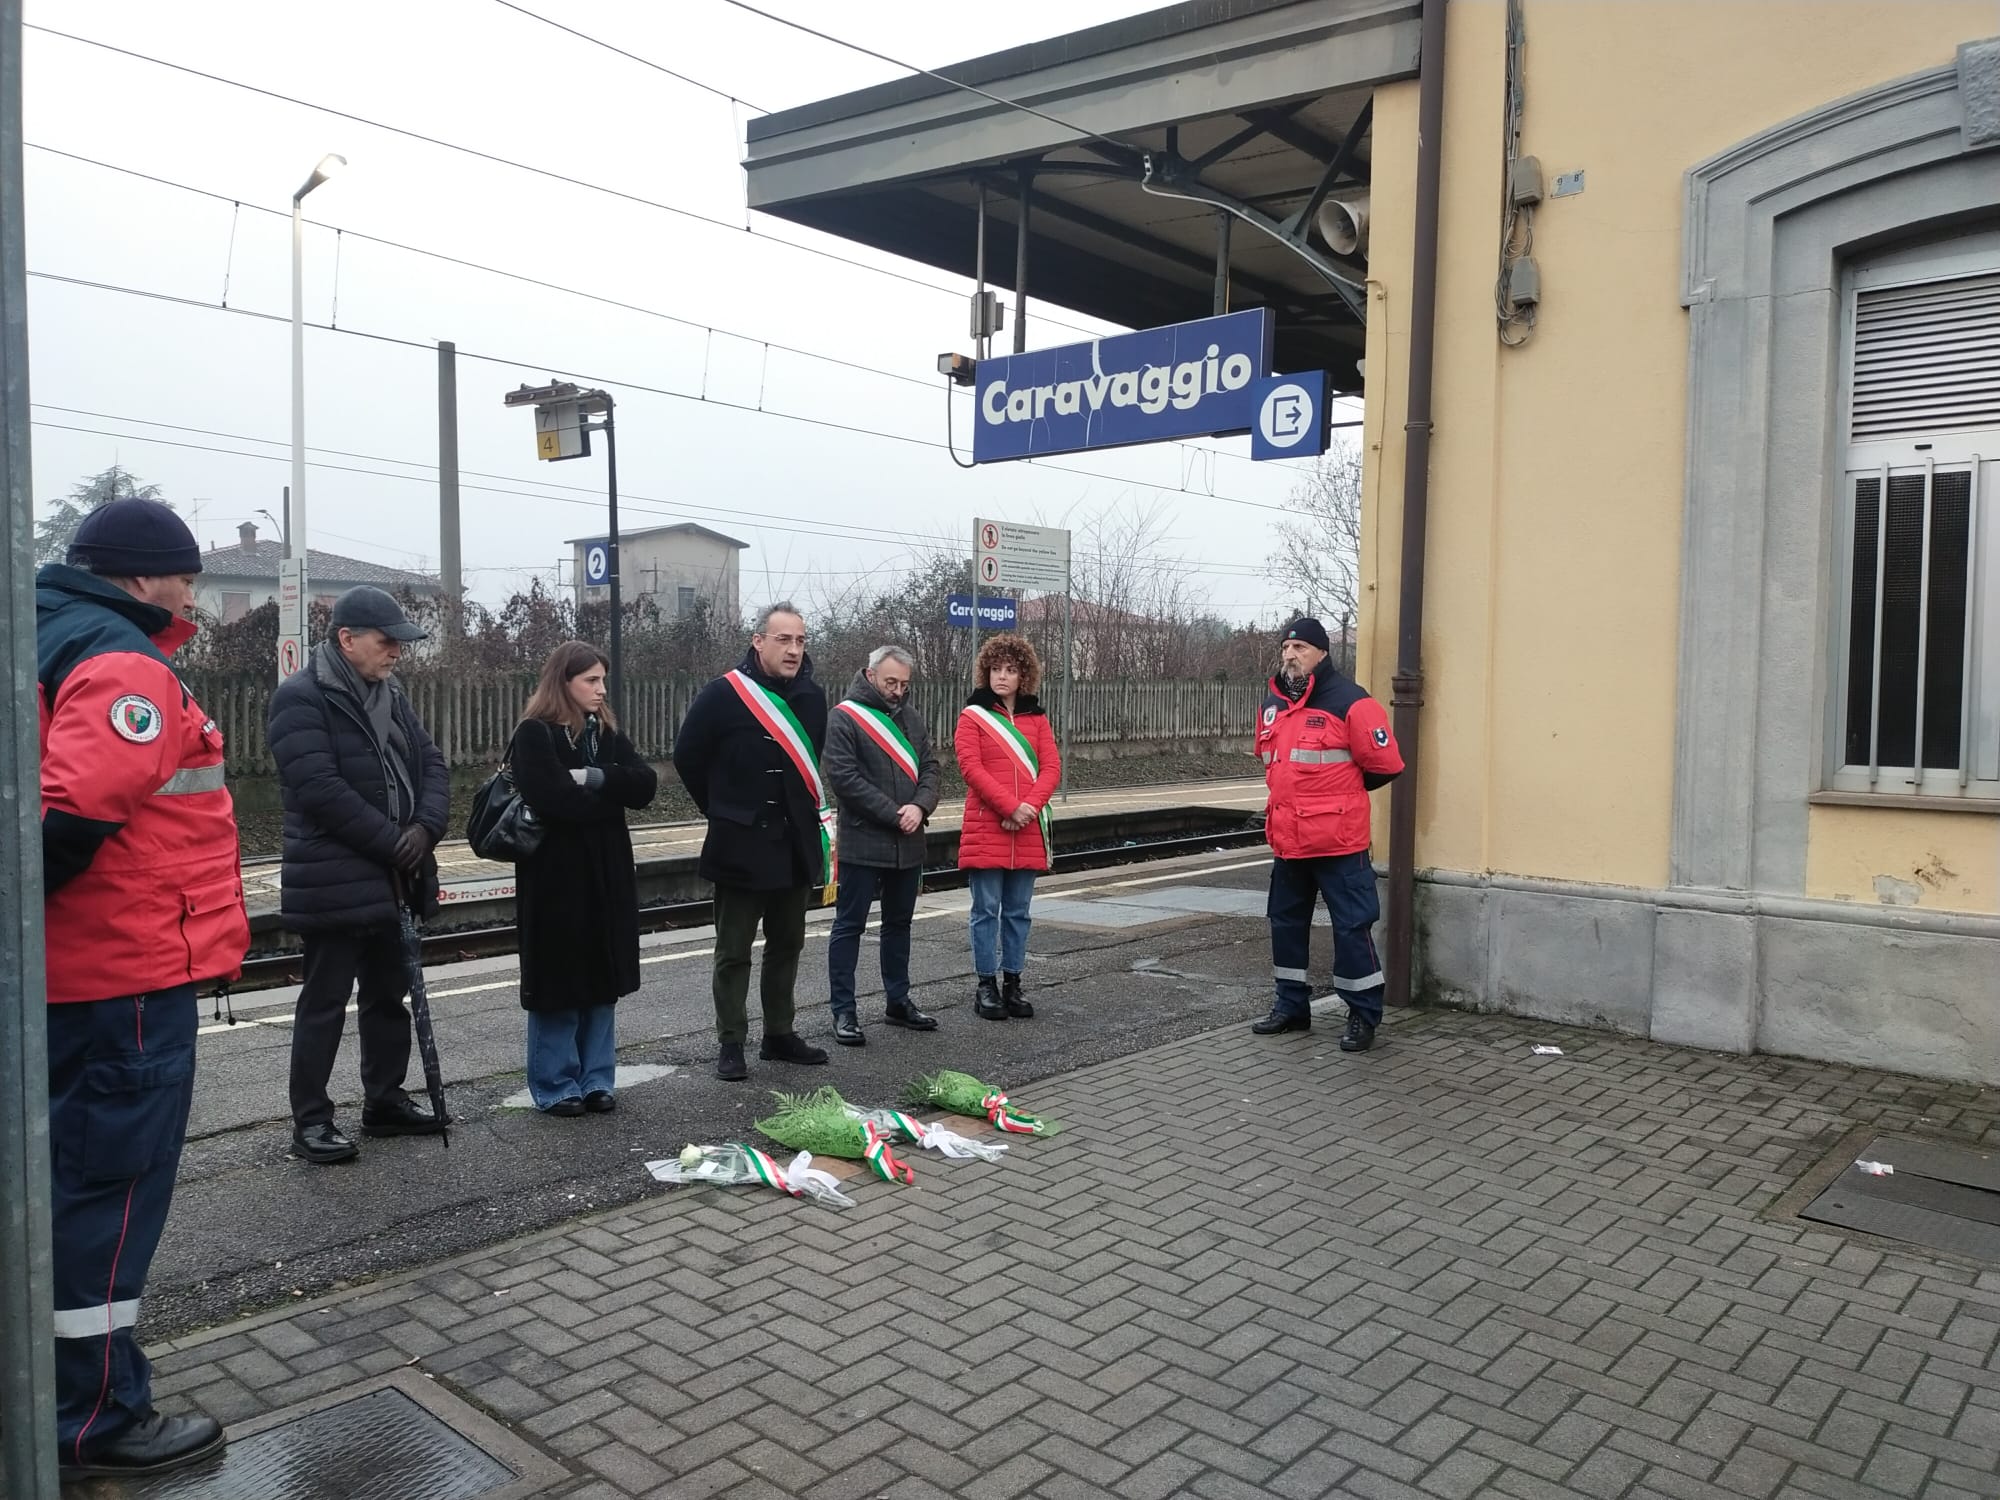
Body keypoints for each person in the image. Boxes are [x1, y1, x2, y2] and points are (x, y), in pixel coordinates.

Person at [36, 498, 249, 1479]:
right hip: (121, 978)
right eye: (185, 575)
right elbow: (73, 817)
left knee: (62, 1191)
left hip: (70, 979)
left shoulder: (38, 633)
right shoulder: (124, 663)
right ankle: (95, 1421)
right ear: (140, 576)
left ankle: (55, 1394)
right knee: (107, 1201)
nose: (192, 592)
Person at [268, 585, 449, 1163]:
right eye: (386, 640)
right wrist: (396, 844)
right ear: (347, 640)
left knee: (386, 996)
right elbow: (319, 789)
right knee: (324, 1001)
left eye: (399, 642)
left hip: (396, 872)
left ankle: (384, 1101)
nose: (396, 651)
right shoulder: (301, 698)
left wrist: (423, 831)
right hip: (334, 876)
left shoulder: (391, 695)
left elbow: (432, 764)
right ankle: (311, 1120)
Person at [672, 602, 832, 1080]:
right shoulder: (723, 693)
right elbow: (687, 756)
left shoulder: (811, 698)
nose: (794, 650)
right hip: (740, 843)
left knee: (787, 944)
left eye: (801, 641)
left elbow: (809, 765)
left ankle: (779, 1034)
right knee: (734, 950)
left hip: (792, 844)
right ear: (758, 641)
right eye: (783, 639)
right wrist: (721, 809)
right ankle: (731, 1041)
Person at [508, 642, 659, 1114]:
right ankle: (555, 1083)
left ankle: (597, 1079)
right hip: (555, 880)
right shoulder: (534, 734)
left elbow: (646, 785)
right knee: (559, 981)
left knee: (602, 979)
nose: (600, 689)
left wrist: (593, 778)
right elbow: (554, 799)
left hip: (606, 874)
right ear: (564, 682)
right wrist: (610, 790)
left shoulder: (605, 731)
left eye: (602, 680)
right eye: (590, 680)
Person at [1251, 616, 1404, 1051]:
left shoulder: (1353, 702)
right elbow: (1273, 766)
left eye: (1299, 648)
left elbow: (1385, 765)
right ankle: (1291, 1006)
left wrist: (1339, 801)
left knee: (1351, 928)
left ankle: (1362, 1016)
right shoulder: (1273, 705)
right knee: (1285, 924)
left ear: (1322, 653)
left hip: (1340, 845)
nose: (1289, 655)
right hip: (1288, 842)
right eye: (1285, 648)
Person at [821, 644, 942, 1046]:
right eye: (891, 682)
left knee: (898, 925)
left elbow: (930, 768)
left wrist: (920, 807)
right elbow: (845, 779)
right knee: (849, 926)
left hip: (908, 842)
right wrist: (895, 813)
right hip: (864, 841)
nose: (897, 690)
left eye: (904, 684)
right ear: (870, 675)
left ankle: (898, 1000)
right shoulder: (844, 718)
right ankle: (844, 1010)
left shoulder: (912, 717)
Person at [954, 634, 1061, 1020]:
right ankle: (986, 985)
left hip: (1027, 827)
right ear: (986, 672)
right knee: (985, 909)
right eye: (996, 669)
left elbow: (1051, 767)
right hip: (988, 825)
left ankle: (1013, 983)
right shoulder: (972, 716)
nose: (1002, 676)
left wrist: (1029, 808)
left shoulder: (1037, 718)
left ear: (1023, 676)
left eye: (1011, 670)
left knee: (1018, 912)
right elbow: (971, 768)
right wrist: (1010, 806)